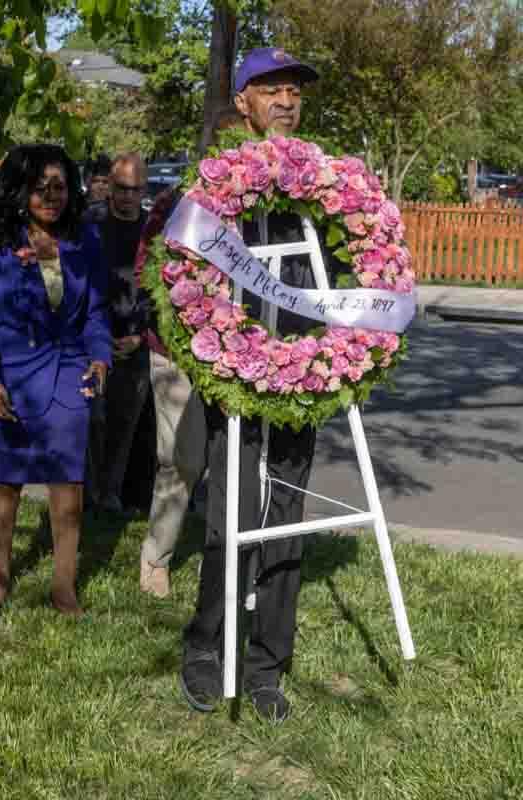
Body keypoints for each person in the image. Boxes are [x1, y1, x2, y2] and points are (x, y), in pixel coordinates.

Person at [180, 48, 343, 723]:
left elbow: (346, 272)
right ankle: (204, 651)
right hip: (234, 381)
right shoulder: (214, 183)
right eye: (269, 90)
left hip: (302, 380)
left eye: (293, 93)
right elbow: (183, 276)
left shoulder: (325, 184)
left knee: (284, 528)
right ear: (241, 101)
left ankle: (266, 667)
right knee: (230, 521)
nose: (284, 101)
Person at [0, 144, 111, 616]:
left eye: (60, 186)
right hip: (8, 379)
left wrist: (101, 356)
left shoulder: (85, 241)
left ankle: (64, 587)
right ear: (20, 190)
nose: (50, 195)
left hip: (69, 375)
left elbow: (97, 312)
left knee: (68, 486)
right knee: (5, 484)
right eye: (39, 186)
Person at [135, 106, 245, 598]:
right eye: (224, 146)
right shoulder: (174, 202)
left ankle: (221, 565)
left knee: (233, 463)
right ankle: (156, 556)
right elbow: (147, 266)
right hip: (177, 351)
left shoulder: (263, 206)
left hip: (243, 353)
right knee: (181, 459)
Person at [85, 152, 152, 514]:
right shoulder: (89, 224)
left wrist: (141, 334)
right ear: (109, 185)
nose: (127, 196)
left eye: (135, 189)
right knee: (92, 419)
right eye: (121, 188)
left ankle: (110, 494)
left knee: (126, 423)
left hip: (136, 339)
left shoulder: (154, 229)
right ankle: (88, 493)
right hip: (93, 340)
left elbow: (166, 289)